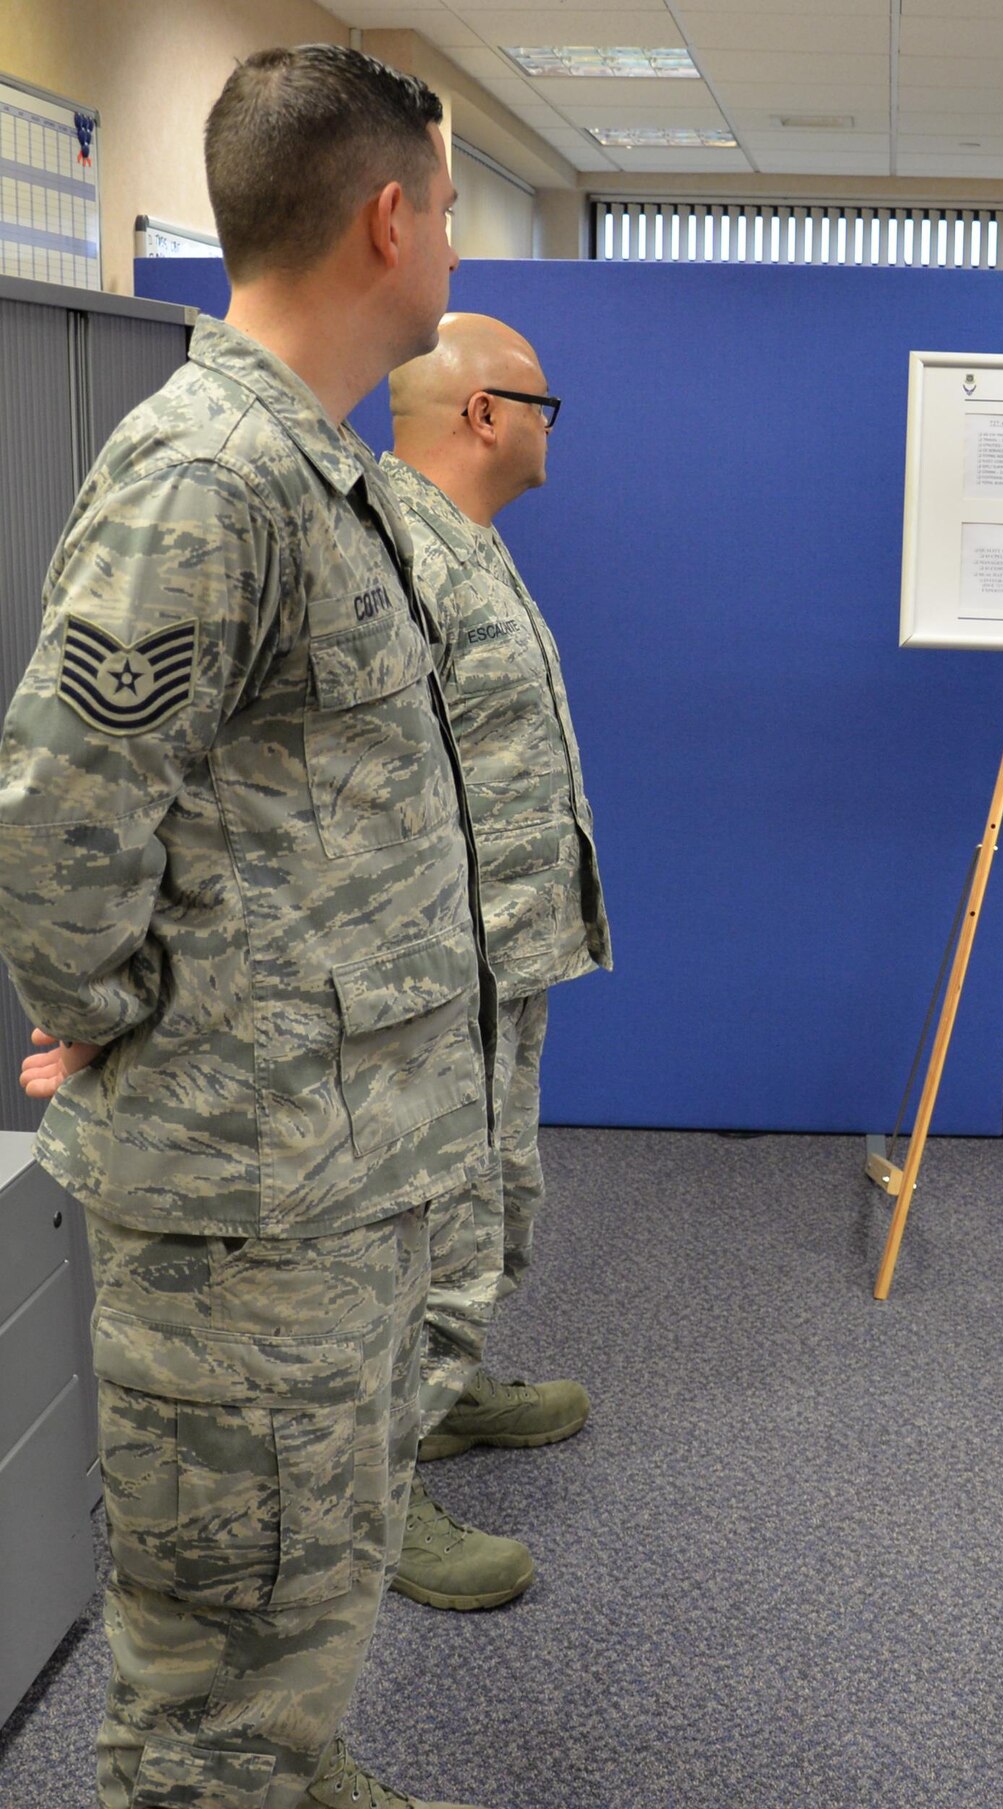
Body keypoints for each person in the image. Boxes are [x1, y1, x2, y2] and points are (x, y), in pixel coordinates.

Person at [1, 45, 494, 1809]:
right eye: (446, 206)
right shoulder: (208, 474)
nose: (455, 240)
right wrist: (126, 1013)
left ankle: (297, 1763)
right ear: (386, 217)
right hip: (240, 1200)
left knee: (301, 1591)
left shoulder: (315, 471)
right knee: (211, 1664)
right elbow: (62, 821)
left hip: (325, 1183)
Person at [374, 314, 611, 1611]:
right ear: (482, 415)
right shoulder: (398, 559)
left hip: (500, 957)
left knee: (497, 1197)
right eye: (540, 402)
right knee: (433, 1233)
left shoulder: (468, 542)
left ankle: (448, 1390)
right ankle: (379, 1493)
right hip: (434, 982)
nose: (548, 423)